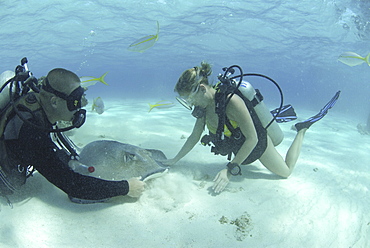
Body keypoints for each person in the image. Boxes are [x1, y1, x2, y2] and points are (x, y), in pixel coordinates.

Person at [163, 62, 340, 194]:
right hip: (238, 142)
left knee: (285, 172)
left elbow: (253, 138)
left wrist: (230, 170)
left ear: (201, 88)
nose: (190, 103)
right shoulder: (203, 106)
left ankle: (302, 129)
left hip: (257, 142)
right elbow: (195, 136)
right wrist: (175, 159)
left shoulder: (232, 102)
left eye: (189, 99)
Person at [0, 66, 144, 204]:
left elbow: (48, 148)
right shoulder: (31, 131)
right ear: (54, 102)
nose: (79, 107)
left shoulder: (39, 104)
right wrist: (126, 188)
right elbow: (73, 185)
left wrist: (67, 159)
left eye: (80, 98)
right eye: (74, 101)